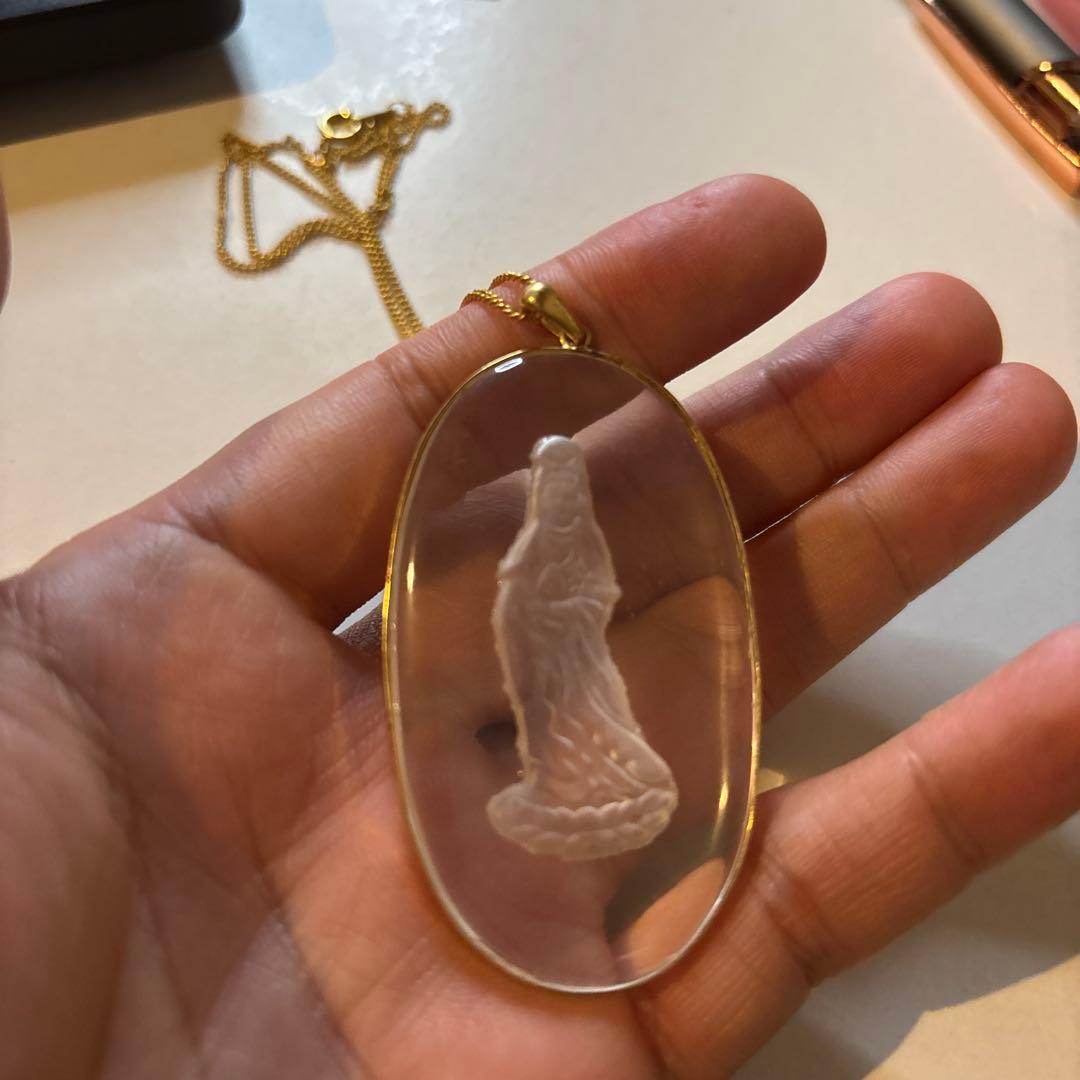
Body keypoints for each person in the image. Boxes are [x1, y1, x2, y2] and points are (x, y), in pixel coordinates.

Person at [0, 175, 1076, 1078]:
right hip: (537, 633)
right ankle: (576, 783)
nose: (559, 483)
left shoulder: (577, 530)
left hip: (565, 633)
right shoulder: (540, 529)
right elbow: (532, 590)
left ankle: (596, 782)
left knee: (588, 704)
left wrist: (548, 596)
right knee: (561, 712)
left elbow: (581, 591)